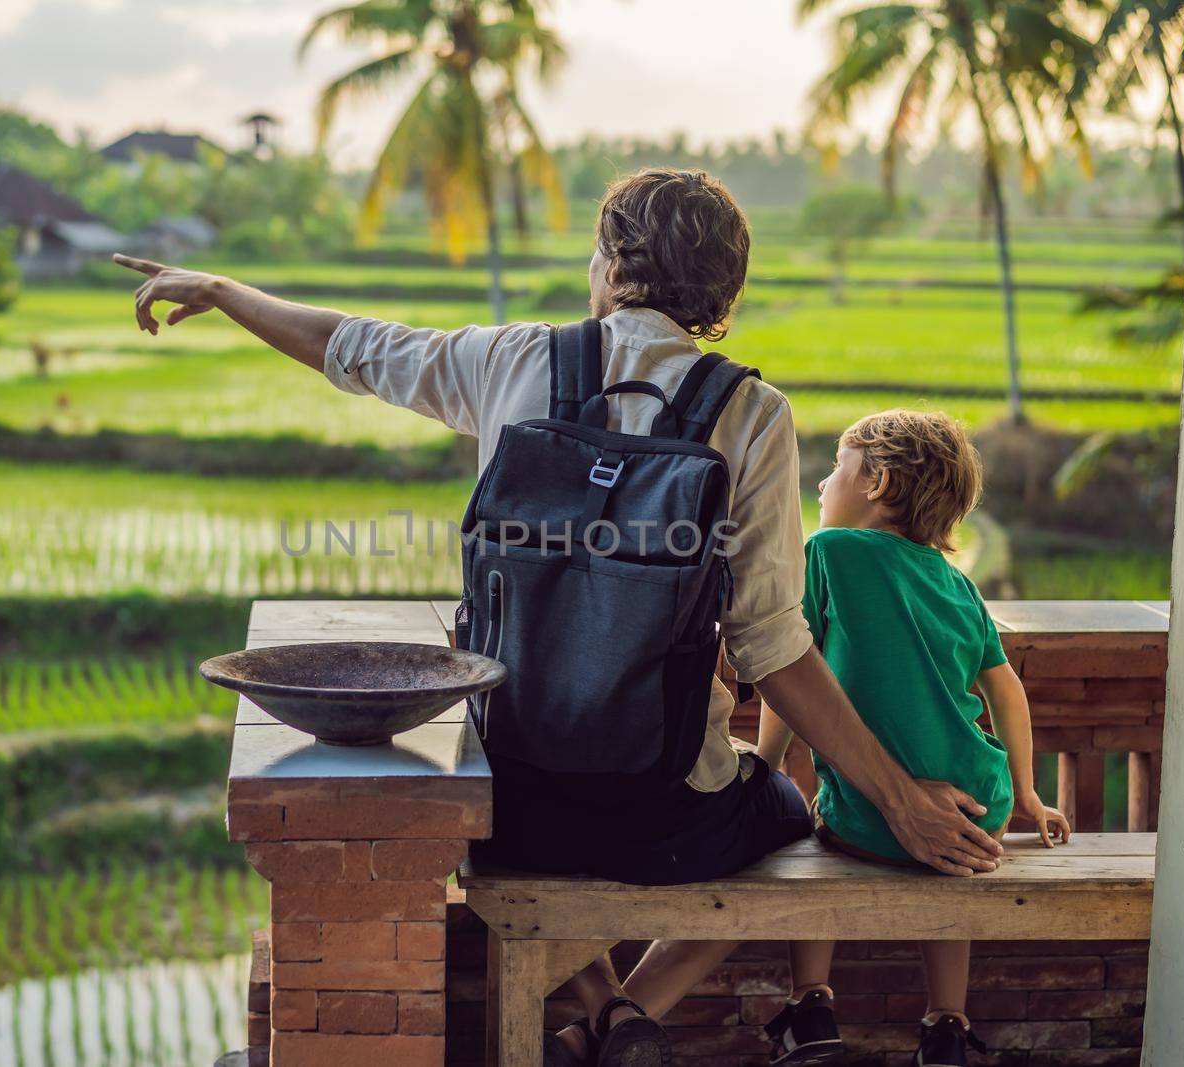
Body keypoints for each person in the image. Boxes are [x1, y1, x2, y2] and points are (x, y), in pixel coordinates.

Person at [112, 168, 1004, 1067]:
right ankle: (613, 1023)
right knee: (781, 814)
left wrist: (223, 291)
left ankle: (606, 1014)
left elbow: (355, 346)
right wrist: (902, 801)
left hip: (515, 803)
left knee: (526, 842)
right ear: (722, 291)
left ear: (615, 264)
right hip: (669, 825)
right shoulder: (752, 414)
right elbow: (773, 645)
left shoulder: (514, 360)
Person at [760, 410, 1071, 1067]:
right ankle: (947, 1024)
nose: (821, 484)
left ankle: (810, 1003)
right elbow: (1006, 688)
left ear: (876, 481)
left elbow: (791, 667)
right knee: (950, 852)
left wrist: (765, 761)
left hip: (872, 819)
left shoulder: (829, 552)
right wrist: (1027, 793)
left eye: (836, 468)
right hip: (978, 805)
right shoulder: (955, 581)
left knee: (810, 834)